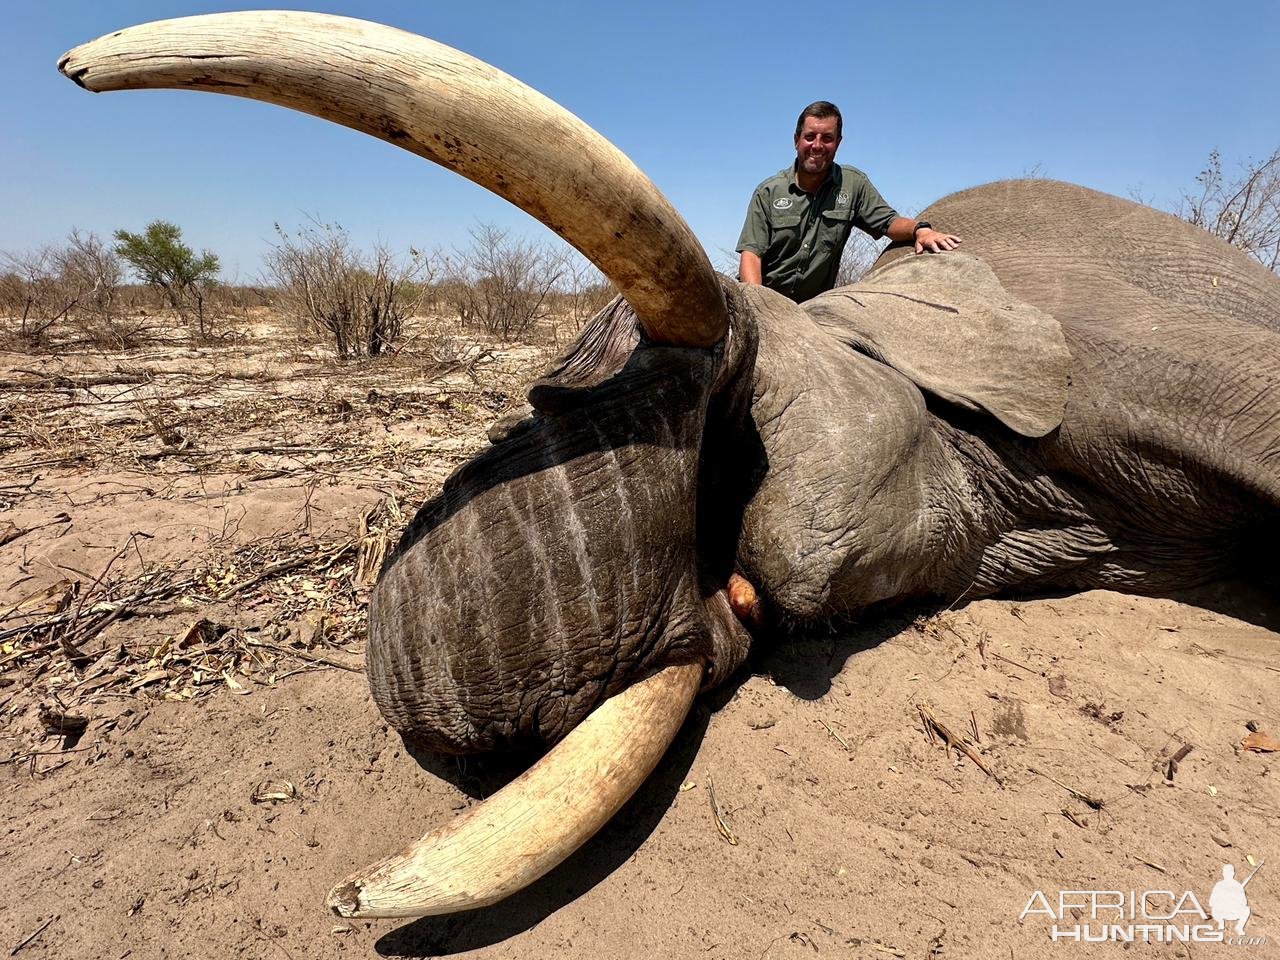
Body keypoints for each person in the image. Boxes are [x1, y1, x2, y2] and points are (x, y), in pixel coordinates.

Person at [737, 101, 962, 303]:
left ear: (838, 143)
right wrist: (761, 308)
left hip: (811, 311)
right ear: (796, 140)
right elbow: (751, 255)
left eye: (827, 138)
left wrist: (920, 230)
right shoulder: (768, 191)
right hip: (764, 303)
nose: (817, 145)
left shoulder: (853, 184)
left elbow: (888, 222)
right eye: (809, 137)